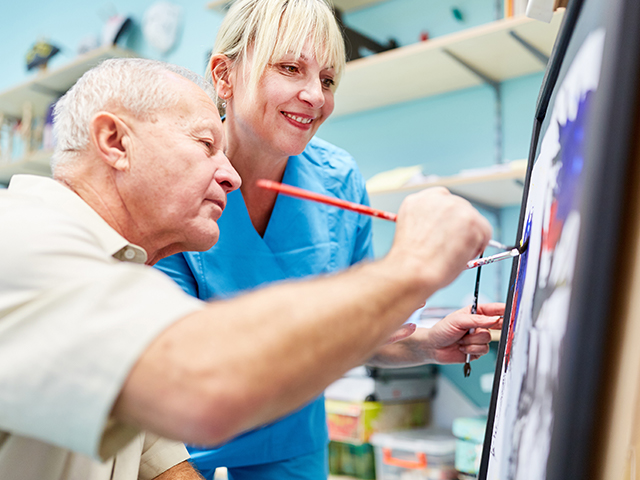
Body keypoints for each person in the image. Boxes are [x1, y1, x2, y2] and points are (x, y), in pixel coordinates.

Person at [0, 57, 499, 480]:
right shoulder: (23, 243)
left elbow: (157, 462)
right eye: (204, 144)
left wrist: (415, 338)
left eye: (328, 80)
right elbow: (201, 389)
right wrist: (413, 264)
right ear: (114, 140)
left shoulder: (118, 270)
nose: (231, 175)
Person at [154, 0, 505, 479]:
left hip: (294, 449)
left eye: (327, 80)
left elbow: (350, 337)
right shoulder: (173, 185)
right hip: (181, 452)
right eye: (290, 68)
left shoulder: (338, 179)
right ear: (224, 75)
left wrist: (422, 344)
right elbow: (167, 366)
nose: (315, 96)